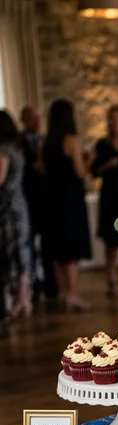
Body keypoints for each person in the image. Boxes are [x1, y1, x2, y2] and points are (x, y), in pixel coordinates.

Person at [42, 99, 91, 312]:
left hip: (52, 198)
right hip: (70, 198)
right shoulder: (72, 140)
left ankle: (63, 291)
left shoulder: (47, 142)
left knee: (58, 246)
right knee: (71, 247)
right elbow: (80, 172)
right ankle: (72, 293)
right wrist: (91, 159)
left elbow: (43, 170)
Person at [91, 105, 118, 297]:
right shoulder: (102, 145)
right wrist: (108, 165)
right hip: (110, 197)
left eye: (117, 119)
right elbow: (94, 170)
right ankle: (111, 281)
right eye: (110, 119)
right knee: (110, 243)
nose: (113, 123)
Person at [0, 110, 32, 323]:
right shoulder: (17, 148)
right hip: (19, 203)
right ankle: (24, 298)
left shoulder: (2, 150)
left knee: (9, 252)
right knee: (22, 251)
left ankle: (14, 300)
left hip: (6, 207)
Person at [19, 106, 53, 302]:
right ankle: (31, 283)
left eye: (38, 118)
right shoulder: (17, 141)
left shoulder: (46, 141)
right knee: (28, 243)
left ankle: (50, 283)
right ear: (24, 120)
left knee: (48, 242)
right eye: (32, 119)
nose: (36, 122)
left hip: (46, 198)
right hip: (27, 198)